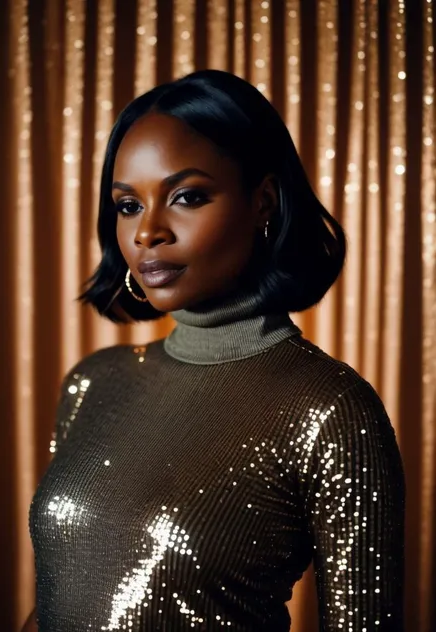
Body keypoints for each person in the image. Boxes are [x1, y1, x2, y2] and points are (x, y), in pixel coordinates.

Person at [24, 69, 405, 632]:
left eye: (187, 197)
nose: (147, 232)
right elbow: (58, 603)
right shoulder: (92, 382)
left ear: (263, 203)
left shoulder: (330, 409)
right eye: (128, 205)